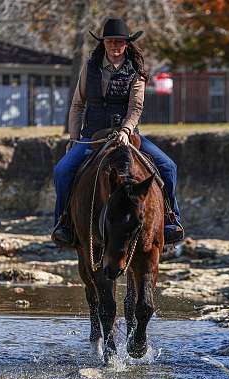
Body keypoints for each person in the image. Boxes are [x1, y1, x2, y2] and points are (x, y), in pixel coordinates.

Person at [51, 17, 184, 245]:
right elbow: (77, 105)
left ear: (127, 44)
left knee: (169, 167)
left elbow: (136, 107)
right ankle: (63, 223)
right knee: (61, 171)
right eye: (110, 41)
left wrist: (125, 130)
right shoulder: (89, 68)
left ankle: (172, 219)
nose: (115, 46)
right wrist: (73, 138)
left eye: (119, 42)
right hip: (91, 137)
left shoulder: (137, 72)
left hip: (128, 136)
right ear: (103, 43)